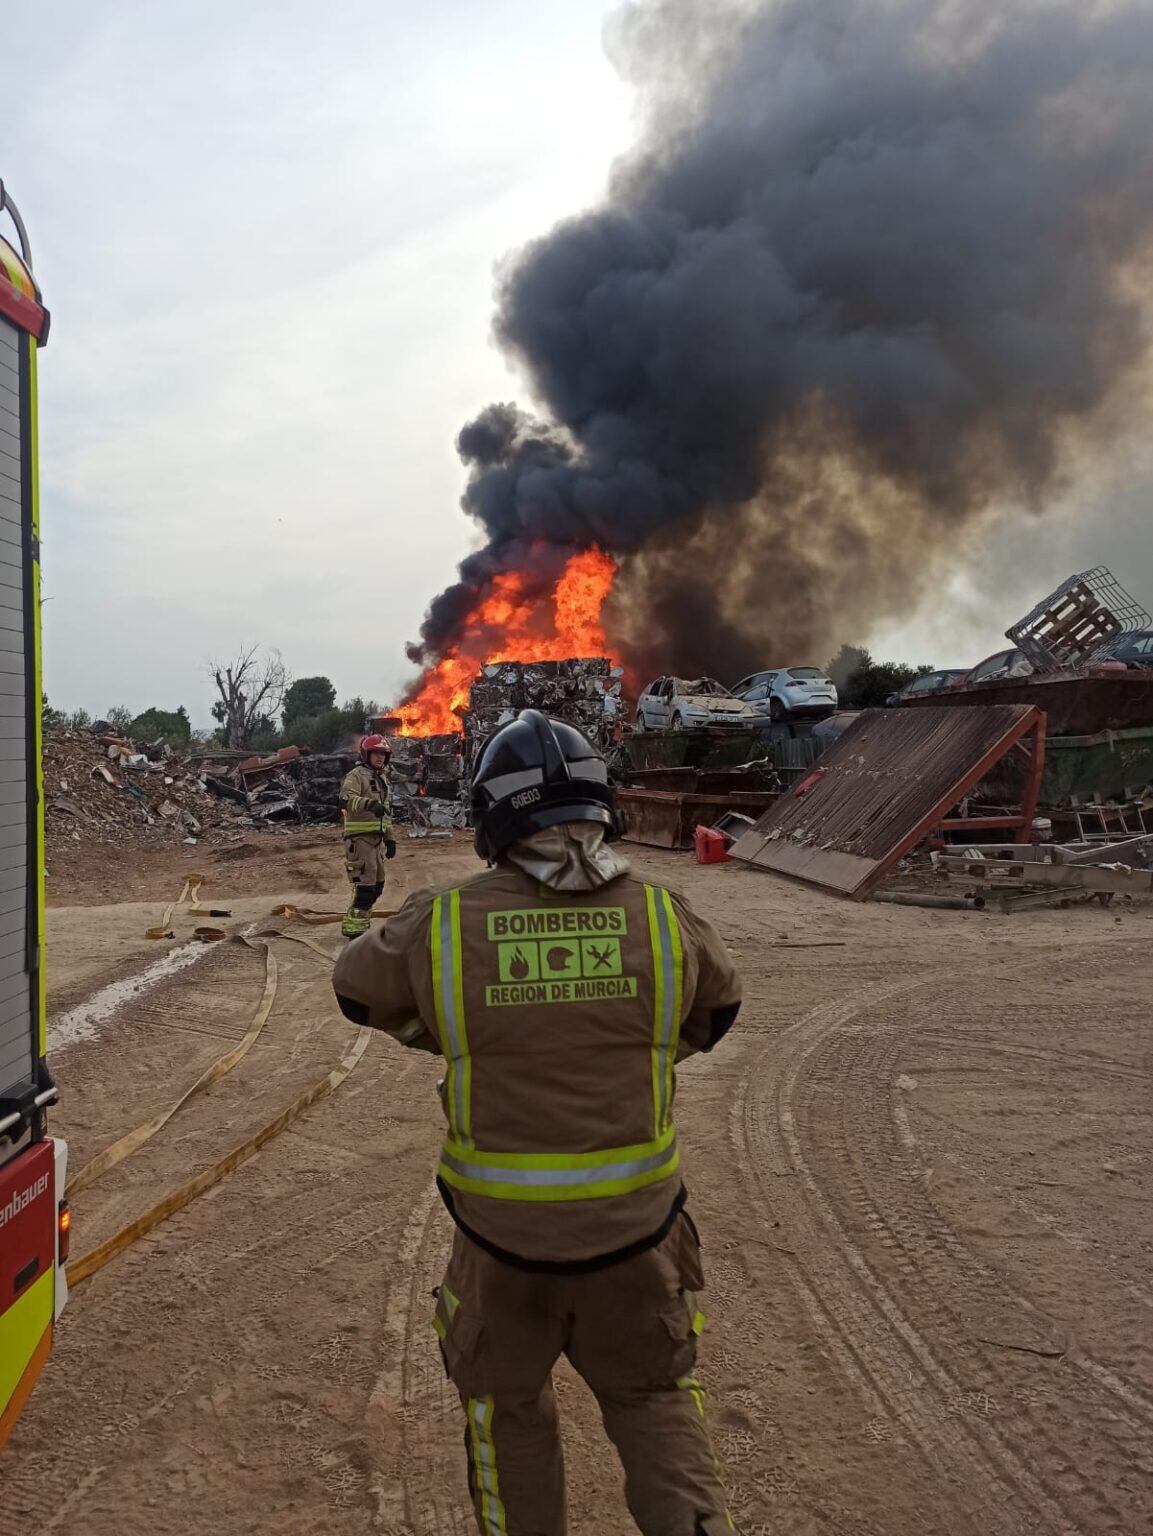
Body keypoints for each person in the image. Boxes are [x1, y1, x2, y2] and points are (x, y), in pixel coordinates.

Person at [333, 709, 742, 1534]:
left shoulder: (442, 922)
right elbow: (714, 1014)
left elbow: (354, 989)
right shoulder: (665, 916)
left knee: (506, 1414)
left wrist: (460, 1035)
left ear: (492, 817)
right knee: (654, 1400)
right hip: (637, 1237)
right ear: (603, 804)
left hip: (500, 1247)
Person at [338, 733, 396, 938]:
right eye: (376, 753)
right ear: (366, 754)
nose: (380, 757)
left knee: (377, 886)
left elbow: (385, 813)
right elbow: (345, 800)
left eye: (383, 754)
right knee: (364, 888)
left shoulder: (383, 780)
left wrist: (390, 838)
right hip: (359, 840)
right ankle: (355, 932)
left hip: (376, 841)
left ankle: (360, 922)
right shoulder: (356, 775)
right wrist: (369, 804)